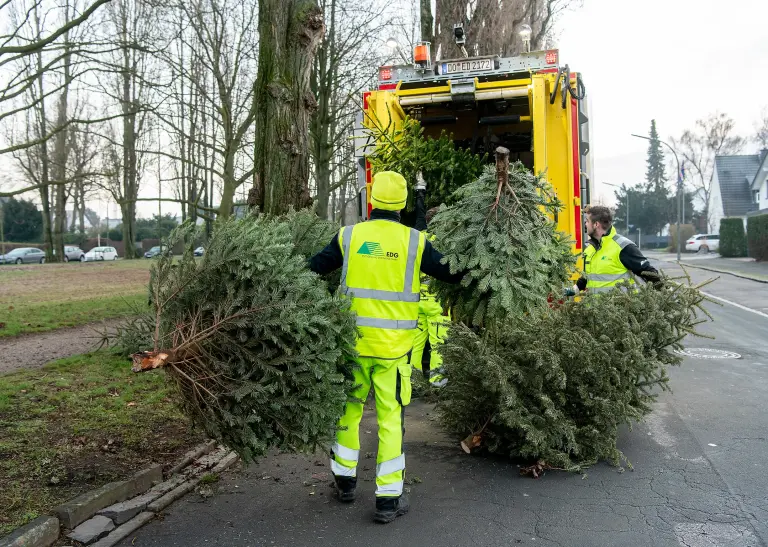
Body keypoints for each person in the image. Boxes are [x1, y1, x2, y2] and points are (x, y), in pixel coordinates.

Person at [309, 171, 464, 524]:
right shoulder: (414, 242)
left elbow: (315, 267)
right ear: (404, 204)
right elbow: (452, 273)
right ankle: (387, 499)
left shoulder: (349, 236)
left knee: (348, 411)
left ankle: (345, 481)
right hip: (393, 352)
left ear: (373, 200)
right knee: (390, 419)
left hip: (351, 346)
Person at [410, 175, 451, 388]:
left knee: (416, 344)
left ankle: (414, 382)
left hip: (417, 302)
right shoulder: (444, 243)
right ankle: (437, 381)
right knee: (438, 344)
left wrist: (420, 191)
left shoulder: (419, 238)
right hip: (437, 305)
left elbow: (418, 214)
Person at [577, 205, 660, 293]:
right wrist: (571, 291)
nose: (585, 224)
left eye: (587, 221)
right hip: (594, 307)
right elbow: (587, 278)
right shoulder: (590, 250)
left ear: (596, 224)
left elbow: (649, 274)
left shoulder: (623, 247)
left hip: (620, 306)